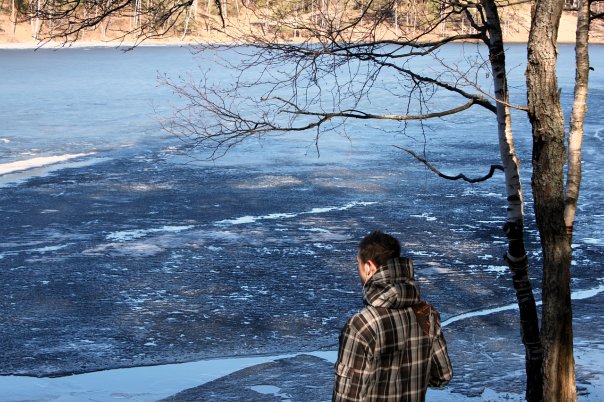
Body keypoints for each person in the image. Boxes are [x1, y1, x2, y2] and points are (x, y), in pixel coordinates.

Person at [333, 231, 453, 402]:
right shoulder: (427, 314)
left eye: (358, 265)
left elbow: (346, 398)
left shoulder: (361, 326)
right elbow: (443, 375)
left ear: (369, 267)